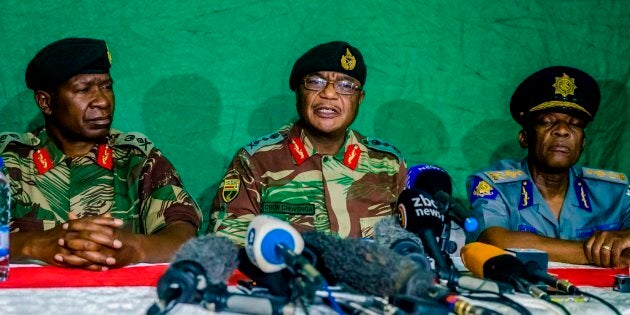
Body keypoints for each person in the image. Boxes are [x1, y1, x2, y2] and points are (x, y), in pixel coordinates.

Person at [0, 38, 202, 271]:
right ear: (45, 102)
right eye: (84, 89)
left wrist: (135, 248)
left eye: (106, 86)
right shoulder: (10, 159)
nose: (103, 101)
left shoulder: (136, 158)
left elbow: (184, 234)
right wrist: (33, 245)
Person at [210, 41, 407, 245]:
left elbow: (413, 246)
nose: (329, 94)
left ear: (360, 99)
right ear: (298, 93)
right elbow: (226, 245)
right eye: (315, 82)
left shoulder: (388, 164)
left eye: (346, 85)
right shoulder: (257, 162)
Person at [466, 66, 630, 268]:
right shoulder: (495, 185)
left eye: (575, 123)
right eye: (547, 121)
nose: (562, 130)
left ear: (583, 142)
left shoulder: (614, 191)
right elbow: (494, 241)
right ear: (524, 138)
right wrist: (599, 252)